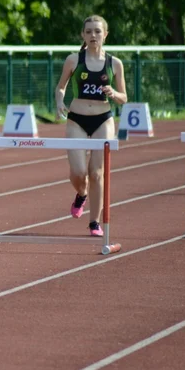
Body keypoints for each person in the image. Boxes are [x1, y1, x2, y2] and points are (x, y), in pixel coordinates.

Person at [54, 15, 127, 237]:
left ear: (105, 34)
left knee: (96, 173)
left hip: (103, 119)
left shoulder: (114, 63)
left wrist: (113, 93)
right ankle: (81, 193)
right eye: (89, 32)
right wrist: (59, 101)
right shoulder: (74, 60)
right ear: (83, 35)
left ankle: (94, 222)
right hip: (77, 118)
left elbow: (124, 97)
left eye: (97, 31)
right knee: (78, 172)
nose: (93, 35)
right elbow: (61, 87)